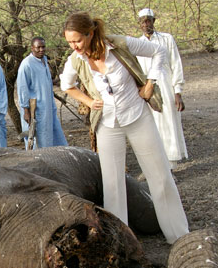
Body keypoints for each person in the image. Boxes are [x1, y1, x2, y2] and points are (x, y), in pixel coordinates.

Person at [59, 12, 188, 244]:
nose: (74, 46)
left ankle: (179, 236)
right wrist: (89, 102)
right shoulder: (75, 60)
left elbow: (159, 51)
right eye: (69, 42)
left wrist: (151, 83)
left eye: (77, 40)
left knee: (159, 175)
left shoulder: (118, 44)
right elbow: (66, 85)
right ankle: (122, 243)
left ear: (89, 33)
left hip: (137, 116)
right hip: (108, 123)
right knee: (113, 185)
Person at [137, 8, 187, 170]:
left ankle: (171, 163)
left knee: (169, 121)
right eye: (143, 21)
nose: (146, 24)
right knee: (153, 125)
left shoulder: (166, 39)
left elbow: (176, 64)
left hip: (166, 85)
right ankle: (157, 164)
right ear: (139, 24)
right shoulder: (137, 43)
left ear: (154, 21)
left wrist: (177, 91)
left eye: (148, 20)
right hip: (148, 88)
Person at [16, 37, 68, 149]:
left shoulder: (44, 60)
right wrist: (26, 111)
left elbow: (42, 82)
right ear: (32, 48)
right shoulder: (26, 64)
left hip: (48, 108)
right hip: (36, 110)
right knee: (37, 141)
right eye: (38, 47)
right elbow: (22, 89)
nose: (41, 50)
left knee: (55, 137)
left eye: (43, 47)